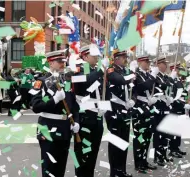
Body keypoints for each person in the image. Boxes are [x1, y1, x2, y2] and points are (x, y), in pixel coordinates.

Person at [30, 50, 80, 177]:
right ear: (50, 63)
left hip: (64, 130)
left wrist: (76, 121)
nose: (62, 64)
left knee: (60, 167)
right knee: (49, 168)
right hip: (48, 129)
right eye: (59, 62)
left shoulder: (66, 81)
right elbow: (35, 106)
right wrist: (54, 100)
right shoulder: (41, 81)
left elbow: (74, 105)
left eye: (63, 61)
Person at [73, 44, 109, 177]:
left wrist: (105, 105)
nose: (97, 58)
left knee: (93, 151)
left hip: (97, 116)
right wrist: (100, 70)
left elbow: (103, 90)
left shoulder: (95, 70)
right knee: (83, 152)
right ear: (85, 56)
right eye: (94, 56)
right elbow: (85, 82)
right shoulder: (78, 69)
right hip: (84, 116)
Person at [105, 50, 134, 177]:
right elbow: (120, 80)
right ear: (116, 59)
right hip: (114, 111)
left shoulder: (124, 71)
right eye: (123, 58)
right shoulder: (111, 70)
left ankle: (122, 171)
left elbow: (132, 85)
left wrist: (132, 100)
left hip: (125, 111)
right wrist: (133, 73)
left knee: (124, 142)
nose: (125, 60)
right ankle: (114, 172)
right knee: (115, 144)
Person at [132, 55, 157, 173]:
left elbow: (154, 86)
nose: (148, 63)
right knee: (139, 138)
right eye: (146, 61)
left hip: (148, 108)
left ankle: (144, 160)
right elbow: (144, 86)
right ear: (139, 62)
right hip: (139, 109)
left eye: (148, 61)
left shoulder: (147, 74)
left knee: (147, 137)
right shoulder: (137, 74)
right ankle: (138, 163)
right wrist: (153, 76)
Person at [152, 56, 174, 166]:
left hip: (165, 107)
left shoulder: (164, 76)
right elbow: (162, 87)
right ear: (158, 64)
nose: (166, 65)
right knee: (158, 134)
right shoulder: (155, 76)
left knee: (165, 133)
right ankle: (158, 156)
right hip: (158, 108)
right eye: (164, 63)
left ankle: (163, 154)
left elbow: (170, 86)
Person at [168, 63, 187, 158]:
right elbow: (171, 95)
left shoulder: (178, 80)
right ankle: (172, 149)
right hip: (175, 108)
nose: (181, 71)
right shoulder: (171, 81)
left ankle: (176, 147)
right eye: (179, 69)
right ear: (174, 70)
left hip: (180, 108)